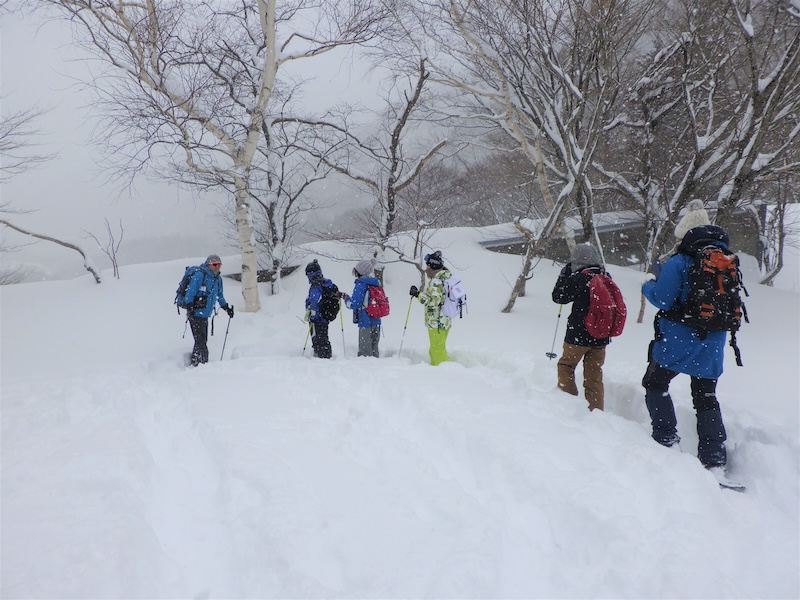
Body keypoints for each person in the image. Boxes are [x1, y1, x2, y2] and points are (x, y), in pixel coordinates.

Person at [641, 204, 730, 472]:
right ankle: (713, 456)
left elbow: (663, 299)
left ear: (685, 236)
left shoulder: (679, 262)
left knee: (655, 383)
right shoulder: (726, 260)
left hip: (679, 340)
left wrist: (648, 284)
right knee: (705, 395)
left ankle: (666, 437)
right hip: (713, 342)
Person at [551, 243, 610, 411]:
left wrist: (565, 274)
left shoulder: (578, 278)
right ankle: (596, 410)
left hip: (578, 335)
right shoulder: (605, 276)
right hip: (601, 335)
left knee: (566, 366)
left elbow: (558, 297)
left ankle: (569, 406)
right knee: (594, 375)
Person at [182, 254, 234, 367]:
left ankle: (198, 363)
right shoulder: (200, 275)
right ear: (208, 264)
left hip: (205, 314)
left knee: (201, 339)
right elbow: (190, 292)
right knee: (200, 340)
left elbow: (219, 295)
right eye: (215, 264)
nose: (217, 267)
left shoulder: (217, 279)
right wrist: (190, 306)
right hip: (195, 312)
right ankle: (201, 364)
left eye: (219, 265)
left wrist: (226, 308)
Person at [409, 250, 452, 366]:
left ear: (432, 266)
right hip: (444, 320)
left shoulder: (437, 281)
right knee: (437, 348)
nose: (426, 268)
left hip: (436, 321)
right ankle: (437, 370)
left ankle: (444, 372)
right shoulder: (445, 278)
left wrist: (418, 294)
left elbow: (433, 301)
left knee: (437, 350)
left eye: (427, 265)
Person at [342, 257, 382, 357]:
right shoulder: (375, 283)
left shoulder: (361, 284)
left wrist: (345, 297)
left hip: (365, 320)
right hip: (376, 319)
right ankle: (378, 369)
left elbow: (355, 303)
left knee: (365, 353)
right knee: (374, 350)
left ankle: (366, 370)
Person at [304, 259, 336, 359]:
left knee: (317, 338)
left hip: (317, 318)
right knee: (324, 336)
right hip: (326, 316)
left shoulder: (315, 286)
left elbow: (314, 302)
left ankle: (321, 356)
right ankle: (326, 354)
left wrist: (313, 316)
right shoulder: (326, 283)